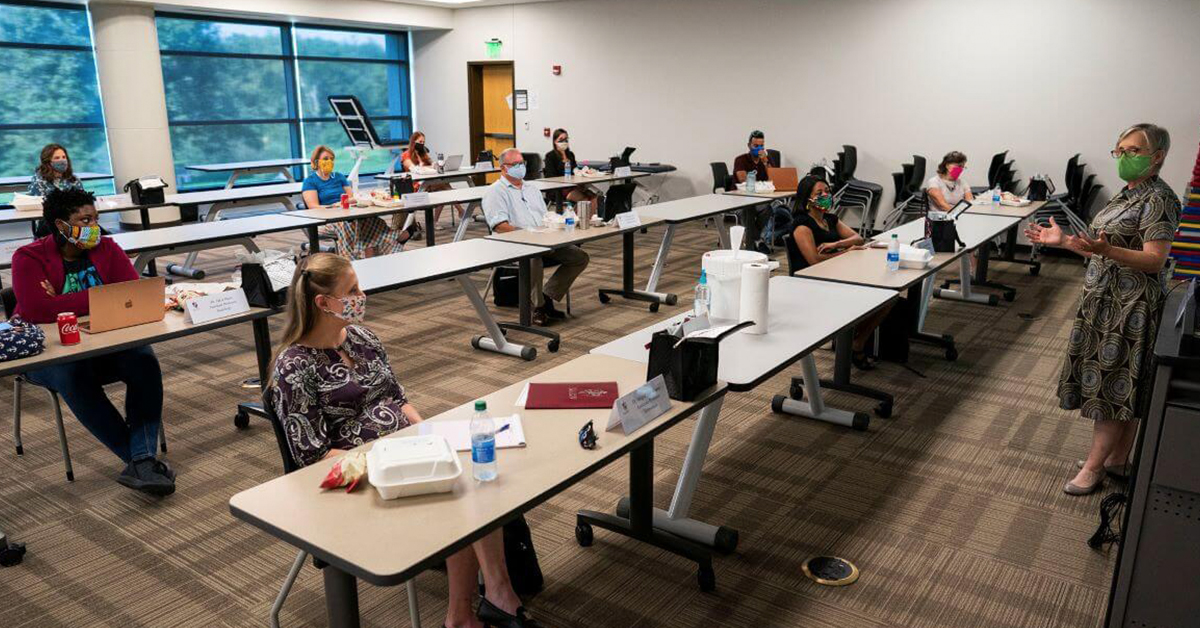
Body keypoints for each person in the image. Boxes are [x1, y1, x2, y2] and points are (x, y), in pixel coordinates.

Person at [269, 253, 541, 628]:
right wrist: (388, 459)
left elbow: (398, 399)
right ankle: (478, 606)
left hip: (405, 454)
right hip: (354, 474)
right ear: (322, 303)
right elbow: (312, 456)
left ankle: (493, 597)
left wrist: (431, 437)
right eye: (352, 290)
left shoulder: (362, 338)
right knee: (461, 492)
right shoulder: (293, 366)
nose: (362, 296)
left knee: (476, 472)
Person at [1024, 123, 1180, 496]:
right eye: (1120, 150)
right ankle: (1116, 459)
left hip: (1130, 308)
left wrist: (1105, 251)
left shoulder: (1159, 199)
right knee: (1127, 390)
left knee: (1114, 389)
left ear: (1157, 156)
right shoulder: (1128, 193)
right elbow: (1099, 247)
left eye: (1133, 151)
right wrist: (1064, 241)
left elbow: (1154, 261)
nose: (1124, 157)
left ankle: (1093, 469)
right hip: (1105, 302)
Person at [11, 188, 174, 496]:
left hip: (103, 340)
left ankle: (141, 460)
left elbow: (132, 294)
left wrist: (62, 300)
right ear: (61, 225)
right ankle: (142, 460)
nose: (94, 227)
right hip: (48, 354)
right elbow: (35, 310)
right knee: (72, 374)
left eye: (96, 219)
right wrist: (101, 297)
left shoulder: (107, 248)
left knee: (144, 361)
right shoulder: (28, 258)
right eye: (85, 220)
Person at [788, 174, 892, 369]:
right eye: (819, 193)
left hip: (836, 274)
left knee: (888, 296)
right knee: (880, 295)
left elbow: (858, 238)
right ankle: (852, 341)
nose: (825, 195)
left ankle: (854, 340)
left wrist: (837, 243)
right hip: (813, 282)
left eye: (827, 191)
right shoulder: (802, 225)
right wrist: (846, 251)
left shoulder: (829, 218)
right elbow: (814, 261)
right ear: (807, 199)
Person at [483, 148, 590, 326]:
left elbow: (544, 216)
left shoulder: (532, 188)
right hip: (512, 244)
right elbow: (500, 226)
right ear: (503, 168)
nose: (520, 167)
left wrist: (557, 223)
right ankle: (538, 307)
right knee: (534, 258)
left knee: (579, 257)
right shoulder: (495, 191)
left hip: (542, 239)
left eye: (522, 163)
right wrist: (529, 236)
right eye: (514, 164)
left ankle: (546, 296)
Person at [301, 145, 416, 259]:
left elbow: (351, 197)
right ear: (316, 161)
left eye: (331, 159)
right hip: (326, 220)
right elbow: (314, 207)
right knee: (350, 223)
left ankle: (368, 255)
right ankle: (393, 238)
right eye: (326, 159)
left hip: (345, 212)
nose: (329, 162)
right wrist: (334, 207)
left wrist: (345, 203)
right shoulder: (310, 181)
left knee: (369, 218)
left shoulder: (339, 177)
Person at [732, 130, 790, 253]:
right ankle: (756, 242)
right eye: (756, 146)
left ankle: (753, 240)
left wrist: (765, 162)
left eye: (761, 146)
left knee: (769, 208)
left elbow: (775, 178)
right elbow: (742, 179)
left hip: (760, 200)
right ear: (749, 145)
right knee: (748, 210)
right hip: (739, 201)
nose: (759, 149)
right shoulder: (741, 160)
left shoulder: (766, 160)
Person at [401, 131, 462, 230]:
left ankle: (436, 221)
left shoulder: (423, 154)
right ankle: (461, 211)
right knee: (445, 186)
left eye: (423, 142)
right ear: (413, 142)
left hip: (428, 183)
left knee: (444, 191)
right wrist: (427, 168)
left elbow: (431, 167)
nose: (422, 144)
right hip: (416, 186)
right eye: (420, 141)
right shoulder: (406, 155)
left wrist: (437, 165)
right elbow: (413, 168)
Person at [543, 128, 602, 210]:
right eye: (561, 140)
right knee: (584, 201)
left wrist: (583, 172)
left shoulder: (570, 155)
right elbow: (550, 176)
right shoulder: (550, 156)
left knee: (594, 197)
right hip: (558, 189)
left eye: (566, 139)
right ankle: (576, 221)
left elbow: (575, 170)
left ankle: (586, 221)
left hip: (573, 186)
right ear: (555, 141)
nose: (564, 142)